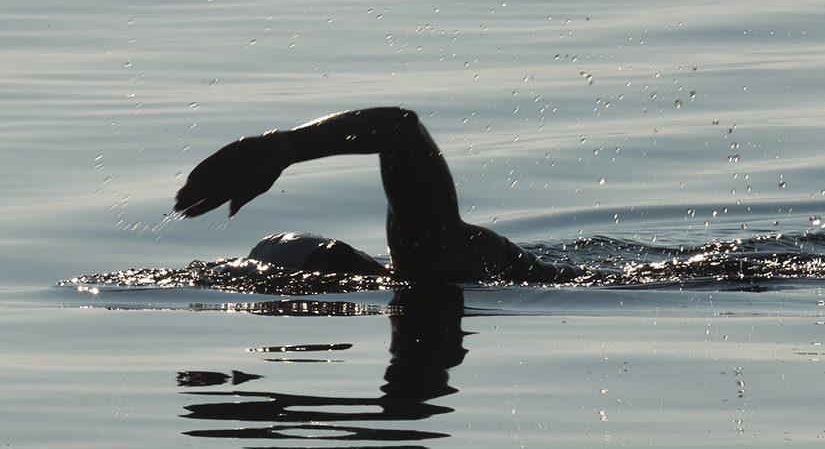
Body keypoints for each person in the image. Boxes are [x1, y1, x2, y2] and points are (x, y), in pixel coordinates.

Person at [174, 107, 579, 283]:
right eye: (328, 253)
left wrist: (284, 148)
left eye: (326, 254)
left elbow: (402, 128)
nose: (337, 255)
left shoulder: (425, 250)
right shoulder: (423, 257)